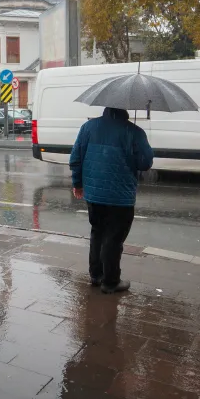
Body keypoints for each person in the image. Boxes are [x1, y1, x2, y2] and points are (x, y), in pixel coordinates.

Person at [69, 107, 153, 294]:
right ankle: (111, 281)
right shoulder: (135, 132)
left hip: (94, 194)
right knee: (114, 238)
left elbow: (76, 158)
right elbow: (145, 163)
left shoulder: (88, 127)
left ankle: (96, 275)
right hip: (121, 197)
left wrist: (77, 183)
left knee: (97, 232)